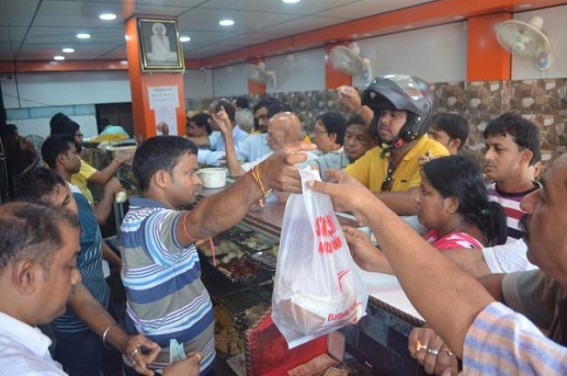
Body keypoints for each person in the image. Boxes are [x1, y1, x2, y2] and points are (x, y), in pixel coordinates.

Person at [309, 153, 567, 376]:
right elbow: (492, 288)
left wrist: (371, 207)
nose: (526, 203)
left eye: (544, 198)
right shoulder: (555, 285)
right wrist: (443, 322)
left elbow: (489, 334)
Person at [118, 136, 314, 375]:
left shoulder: (145, 218)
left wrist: (241, 200)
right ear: (161, 178)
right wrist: (261, 178)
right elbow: (201, 221)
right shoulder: (152, 225)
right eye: (190, 173)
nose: (198, 181)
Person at [0, 202, 203, 376]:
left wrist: (122, 340)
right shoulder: (25, 370)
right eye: (69, 265)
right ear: (26, 276)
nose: (76, 277)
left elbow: (81, 298)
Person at [18, 167, 166, 375]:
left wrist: (118, 262)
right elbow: (81, 300)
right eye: (55, 211)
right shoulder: (45, 246)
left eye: (67, 201)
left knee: (113, 365)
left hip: (105, 304)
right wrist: (121, 339)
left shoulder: (81, 202)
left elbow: (95, 241)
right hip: (74, 328)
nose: (68, 213)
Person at [346, 155, 507, 274]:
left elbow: (423, 271)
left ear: (451, 204)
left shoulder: (460, 248)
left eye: (425, 192)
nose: (417, 198)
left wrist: (375, 257)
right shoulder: (437, 232)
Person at [339, 75, 450, 215]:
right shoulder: (377, 154)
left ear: (415, 121)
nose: (384, 120)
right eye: (383, 113)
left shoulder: (434, 153)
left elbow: (414, 202)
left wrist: (359, 198)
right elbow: (341, 181)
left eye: (394, 115)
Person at [50, 113, 126, 223]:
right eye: (78, 135)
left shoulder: (55, 162)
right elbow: (103, 178)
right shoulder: (72, 192)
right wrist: (118, 160)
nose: (79, 158)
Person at [307, 114, 376, 181]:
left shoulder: (379, 166)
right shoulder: (330, 162)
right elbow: (306, 168)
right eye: (348, 136)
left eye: (360, 139)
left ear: (374, 143)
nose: (351, 143)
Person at [0, 123, 39, 198]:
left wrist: (27, 169)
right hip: (15, 173)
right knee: (18, 194)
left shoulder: (24, 141)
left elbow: (37, 157)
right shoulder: (8, 143)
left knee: (29, 193)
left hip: (27, 173)